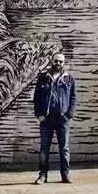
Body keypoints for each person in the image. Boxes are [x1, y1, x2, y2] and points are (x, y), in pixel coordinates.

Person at [33, 51, 77, 184]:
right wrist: (39, 115)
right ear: (52, 61)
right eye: (56, 61)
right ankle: (42, 176)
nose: (58, 63)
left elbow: (73, 98)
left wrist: (69, 115)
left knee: (64, 149)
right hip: (46, 119)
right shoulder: (43, 78)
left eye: (61, 61)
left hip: (62, 119)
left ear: (64, 63)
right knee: (44, 149)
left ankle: (65, 175)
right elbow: (36, 98)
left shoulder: (69, 79)